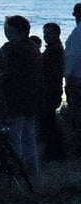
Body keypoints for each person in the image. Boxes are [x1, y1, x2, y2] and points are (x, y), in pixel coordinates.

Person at [1, 15, 42, 176]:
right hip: (31, 98)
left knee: (15, 135)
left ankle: (17, 169)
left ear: (18, 31)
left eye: (8, 30)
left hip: (17, 97)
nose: (6, 33)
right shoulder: (32, 47)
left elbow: (9, 73)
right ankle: (31, 168)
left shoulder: (16, 49)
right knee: (27, 135)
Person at [40, 23, 66, 160]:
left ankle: (54, 151)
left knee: (49, 121)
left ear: (56, 34)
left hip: (50, 89)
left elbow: (51, 72)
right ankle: (55, 150)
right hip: (52, 89)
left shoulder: (54, 51)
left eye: (49, 33)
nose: (46, 36)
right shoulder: (54, 49)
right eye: (45, 33)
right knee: (49, 120)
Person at [65, 3, 81, 128]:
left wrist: (67, 75)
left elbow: (74, 55)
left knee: (77, 114)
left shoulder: (78, 31)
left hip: (76, 79)